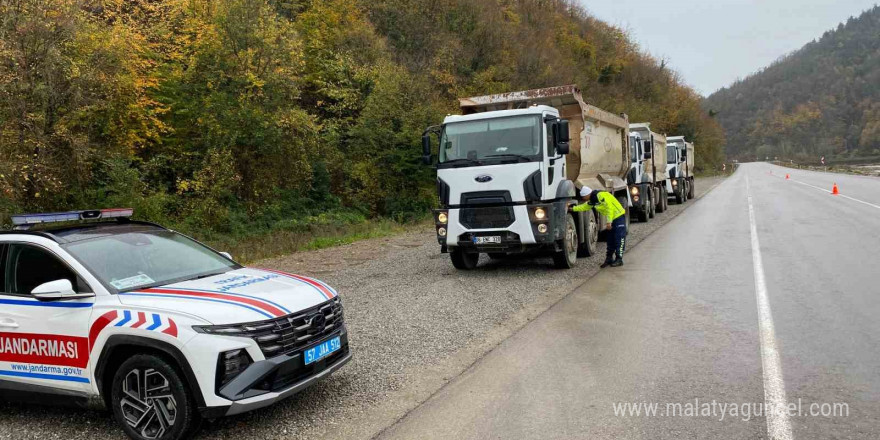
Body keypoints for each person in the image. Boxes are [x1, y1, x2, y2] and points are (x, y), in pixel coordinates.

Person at [571, 186, 627, 267]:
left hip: (618, 217)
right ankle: (609, 258)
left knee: (619, 238)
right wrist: (572, 209)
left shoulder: (600, 196)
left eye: (583, 196)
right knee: (610, 239)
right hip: (612, 218)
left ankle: (619, 259)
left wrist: (608, 222)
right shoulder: (593, 200)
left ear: (587, 194)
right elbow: (584, 206)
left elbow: (609, 208)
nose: (583, 198)